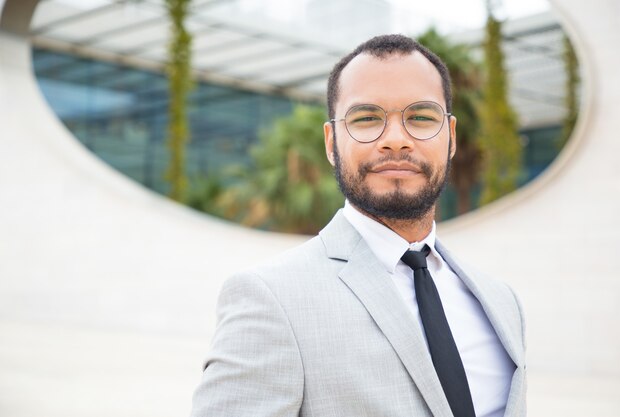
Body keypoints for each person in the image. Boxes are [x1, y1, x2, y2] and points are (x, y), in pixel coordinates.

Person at [190, 34, 526, 417]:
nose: (396, 140)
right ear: (332, 143)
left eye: (421, 117)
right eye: (367, 119)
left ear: (450, 138)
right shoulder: (270, 298)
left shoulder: (502, 303)